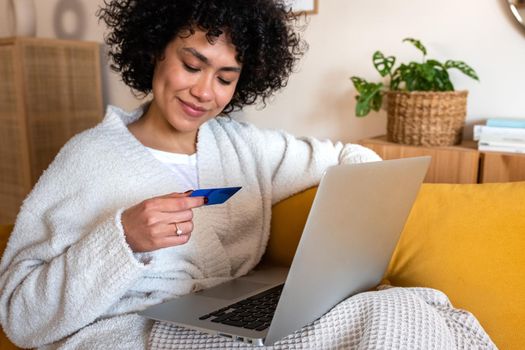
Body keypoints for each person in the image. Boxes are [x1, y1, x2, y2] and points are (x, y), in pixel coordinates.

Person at [0, 1, 495, 349]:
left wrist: (356, 210)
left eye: (224, 78)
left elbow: (349, 159)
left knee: (411, 306)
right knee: (392, 316)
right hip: (136, 334)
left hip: (230, 321)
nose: (203, 92)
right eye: (192, 65)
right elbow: (21, 318)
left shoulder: (242, 147)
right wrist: (122, 238)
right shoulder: (87, 160)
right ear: (155, 50)